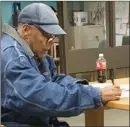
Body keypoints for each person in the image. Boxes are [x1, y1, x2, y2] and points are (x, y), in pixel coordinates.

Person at [1, 3, 121, 127]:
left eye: (53, 38)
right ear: (26, 30)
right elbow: (41, 96)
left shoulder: (34, 52)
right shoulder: (14, 57)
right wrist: (94, 95)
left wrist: (86, 88)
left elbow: (53, 80)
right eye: (47, 37)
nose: (50, 44)